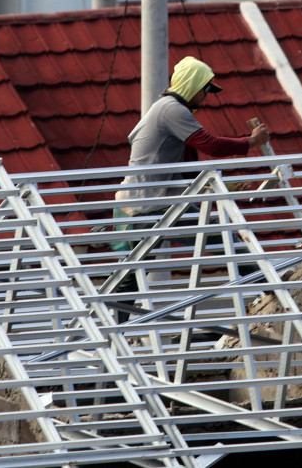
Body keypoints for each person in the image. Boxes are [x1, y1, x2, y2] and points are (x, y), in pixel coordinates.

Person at [110, 56, 270, 319]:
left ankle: (267, 284)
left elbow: (186, 168)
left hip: (159, 203)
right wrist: (250, 142)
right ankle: (270, 284)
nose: (205, 96)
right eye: (205, 89)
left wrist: (224, 186)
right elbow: (210, 144)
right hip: (147, 205)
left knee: (137, 271)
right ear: (192, 85)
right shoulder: (172, 109)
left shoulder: (166, 109)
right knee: (134, 274)